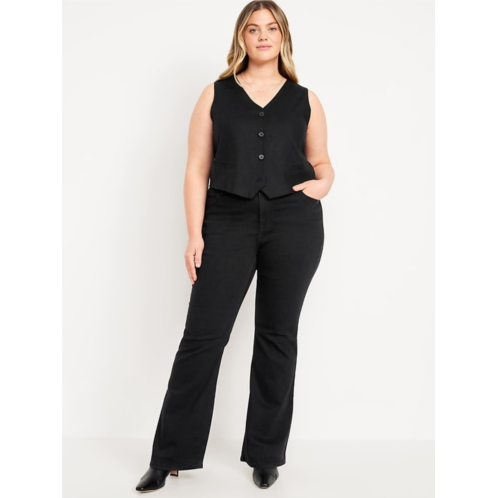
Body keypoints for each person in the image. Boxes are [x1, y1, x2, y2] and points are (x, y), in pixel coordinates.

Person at [136, 0, 335, 492]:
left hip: (294, 224)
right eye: (253, 28)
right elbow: (196, 169)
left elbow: (322, 163)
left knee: (277, 336)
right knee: (203, 337)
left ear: (283, 37)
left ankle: (266, 454)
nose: (263, 35)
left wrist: (320, 186)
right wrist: (195, 233)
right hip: (227, 221)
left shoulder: (306, 99)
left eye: (271, 28)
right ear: (241, 38)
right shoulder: (216, 94)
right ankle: (169, 455)